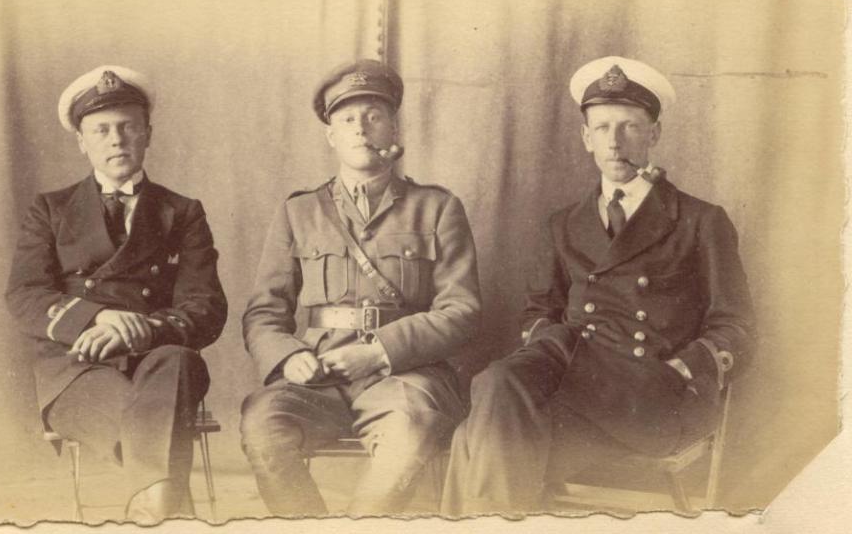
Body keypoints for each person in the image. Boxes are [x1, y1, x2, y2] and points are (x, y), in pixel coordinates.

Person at [441, 56, 756, 515]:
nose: (615, 141)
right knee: (482, 424)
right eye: (603, 127)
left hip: (653, 397)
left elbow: (736, 328)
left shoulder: (700, 221)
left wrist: (684, 368)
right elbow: (538, 312)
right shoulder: (563, 224)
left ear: (654, 135)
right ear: (585, 138)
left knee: (487, 408)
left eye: (629, 127)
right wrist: (548, 342)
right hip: (574, 393)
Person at [240, 59, 482, 516]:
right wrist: (289, 357)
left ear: (393, 126)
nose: (360, 128)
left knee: (412, 429)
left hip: (404, 376)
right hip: (319, 377)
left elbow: (462, 310)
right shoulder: (299, 212)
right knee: (262, 423)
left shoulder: (437, 208)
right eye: (347, 119)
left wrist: (379, 351)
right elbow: (263, 313)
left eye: (373, 115)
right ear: (331, 135)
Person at [5, 65, 228, 522]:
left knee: (181, 360)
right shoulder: (51, 209)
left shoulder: (181, 212)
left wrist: (142, 329)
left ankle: (151, 508)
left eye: (128, 127)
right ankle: (165, 505)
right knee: (157, 425)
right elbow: (24, 294)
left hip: (156, 358)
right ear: (81, 141)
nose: (116, 140)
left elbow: (205, 307)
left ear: (148, 133)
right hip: (76, 366)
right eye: (101, 130)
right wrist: (98, 319)